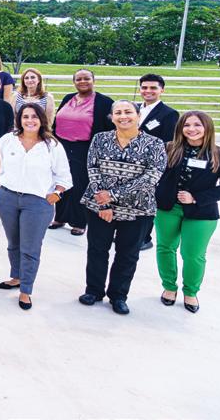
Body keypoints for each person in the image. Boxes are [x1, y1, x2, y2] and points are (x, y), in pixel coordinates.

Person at [80, 99, 166, 315]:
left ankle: (118, 296)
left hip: (138, 209)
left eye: (128, 112)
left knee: (127, 254)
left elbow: (152, 176)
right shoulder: (100, 139)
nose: (123, 116)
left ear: (138, 116)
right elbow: (92, 168)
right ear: (112, 117)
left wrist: (113, 195)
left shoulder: (155, 144)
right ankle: (94, 290)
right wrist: (105, 202)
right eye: (118, 112)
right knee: (97, 250)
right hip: (100, 206)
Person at [155, 110, 220, 312]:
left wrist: (196, 198)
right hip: (168, 208)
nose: (191, 129)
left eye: (197, 125)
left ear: (207, 127)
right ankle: (169, 287)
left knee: (193, 254)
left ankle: (191, 292)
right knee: (165, 248)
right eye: (186, 125)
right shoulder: (168, 148)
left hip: (201, 213)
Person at [0, 101, 71, 308]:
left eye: (34, 116)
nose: (30, 120)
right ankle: (16, 277)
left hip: (37, 203)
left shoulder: (52, 145)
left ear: (41, 119)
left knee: (30, 247)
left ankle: (26, 290)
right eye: (25, 116)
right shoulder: (7, 140)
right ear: (19, 119)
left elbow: (64, 176)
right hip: (7, 198)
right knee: (13, 242)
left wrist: (56, 194)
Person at [51, 70, 114, 234]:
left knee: (81, 184)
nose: (83, 81)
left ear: (94, 80)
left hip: (85, 147)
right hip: (62, 145)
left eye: (87, 78)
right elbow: (57, 121)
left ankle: (79, 222)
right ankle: (60, 217)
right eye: (78, 79)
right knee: (61, 180)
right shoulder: (68, 98)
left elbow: (110, 129)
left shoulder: (104, 102)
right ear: (74, 82)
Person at [134, 73, 180, 249]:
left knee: (146, 201)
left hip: (150, 165)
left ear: (162, 90)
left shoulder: (169, 114)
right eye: (144, 87)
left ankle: (144, 238)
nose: (148, 91)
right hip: (130, 164)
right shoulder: (134, 108)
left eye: (153, 88)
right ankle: (131, 233)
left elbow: (168, 143)